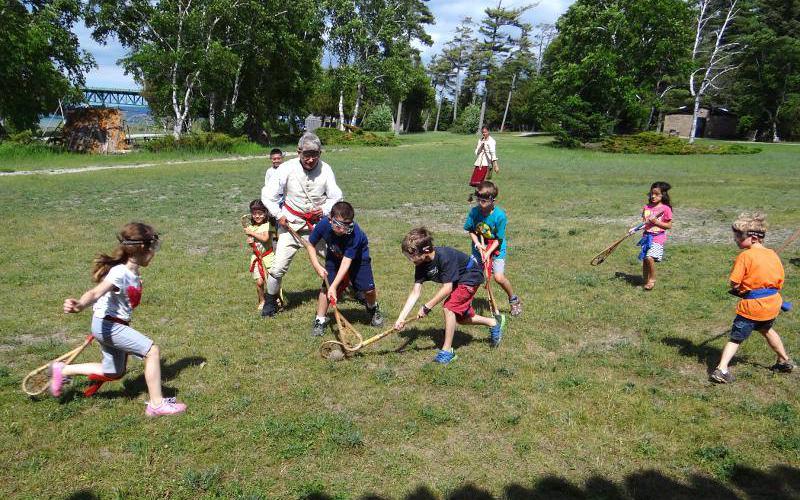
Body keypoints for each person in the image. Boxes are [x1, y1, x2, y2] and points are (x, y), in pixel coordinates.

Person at [55, 223, 186, 416]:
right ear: (143, 248)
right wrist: (80, 305)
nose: (154, 253)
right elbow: (95, 292)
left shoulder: (132, 271)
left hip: (109, 324)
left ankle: (62, 370)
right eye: (153, 248)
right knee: (152, 351)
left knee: (114, 372)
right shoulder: (120, 273)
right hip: (109, 325)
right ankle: (156, 405)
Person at [394, 227, 506, 365]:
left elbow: (447, 288)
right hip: (458, 281)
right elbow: (415, 292)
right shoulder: (421, 265)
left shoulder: (444, 256)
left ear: (426, 250)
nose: (410, 260)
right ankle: (493, 323)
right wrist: (401, 318)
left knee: (449, 308)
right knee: (461, 318)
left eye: (412, 256)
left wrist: (427, 306)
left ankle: (447, 351)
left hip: (471, 276)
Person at [261, 132, 343, 317]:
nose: (311, 159)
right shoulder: (285, 169)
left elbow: (336, 196)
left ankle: (356, 290)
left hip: (318, 228)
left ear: (320, 153)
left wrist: (323, 210)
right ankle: (270, 302)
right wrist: (278, 214)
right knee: (276, 270)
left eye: (315, 155)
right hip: (290, 226)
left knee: (340, 258)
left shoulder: (326, 169)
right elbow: (267, 195)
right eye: (307, 155)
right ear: (299, 152)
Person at [711, 213, 794, 383]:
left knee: (735, 338)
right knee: (766, 329)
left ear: (754, 238)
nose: (735, 239)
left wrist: (739, 289)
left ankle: (721, 369)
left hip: (753, 306)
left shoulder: (745, 256)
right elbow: (779, 281)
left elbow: (735, 282)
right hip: (772, 303)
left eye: (738, 236)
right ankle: (784, 360)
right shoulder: (772, 254)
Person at [300, 201, 384, 336]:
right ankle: (319, 320)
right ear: (330, 219)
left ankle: (372, 307)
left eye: (347, 225)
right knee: (326, 288)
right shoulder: (323, 225)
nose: (343, 230)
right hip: (334, 257)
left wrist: (335, 287)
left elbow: (346, 262)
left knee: (369, 289)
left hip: (358, 258)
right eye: (339, 225)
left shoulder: (355, 234)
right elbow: (310, 244)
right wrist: (317, 266)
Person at [464, 181, 522, 316]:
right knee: (474, 275)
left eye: (484, 200)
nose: (481, 203)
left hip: (496, 248)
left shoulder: (500, 216)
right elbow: (471, 230)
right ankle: (465, 303)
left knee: (499, 277)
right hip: (479, 247)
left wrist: (488, 252)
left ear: (492, 200)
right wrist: (478, 245)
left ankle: (514, 300)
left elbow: (499, 239)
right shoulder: (474, 212)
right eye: (479, 199)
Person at [634, 181, 673, 290]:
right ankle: (645, 281)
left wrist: (656, 222)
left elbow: (669, 226)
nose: (653, 196)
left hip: (658, 237)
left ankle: (652, 279)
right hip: (646, 237)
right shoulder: (647, 207)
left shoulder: (666, 209)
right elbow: (644, 224)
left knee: (649, 257)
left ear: (663, 195)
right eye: (652, 193)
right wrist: (634, 229)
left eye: (656, 194)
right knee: (645, 260)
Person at [243, 199, 275, 311]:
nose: (257, 216)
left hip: (268, 257)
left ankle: (276, 299)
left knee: (271, 281)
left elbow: (265, 239)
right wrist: (251, 243)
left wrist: (251, 233)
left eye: (260, 213)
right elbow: (254, 244)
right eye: (255, 214)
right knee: (259, 281)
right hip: (256, 257)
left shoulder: (268, 225)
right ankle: (262, 300)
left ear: (265, 213)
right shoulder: (251, 227)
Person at [264, 148, 285, 248]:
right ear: (271, 159)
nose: (276, 160)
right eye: (274, 159)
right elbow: (267, 186)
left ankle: (285, 237)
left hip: (284, 198)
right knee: (274, 218)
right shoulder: (269, 172)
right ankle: (276, 238)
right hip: (274, 199)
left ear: (282, 158)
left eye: (278, 158)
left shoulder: (286, 168)